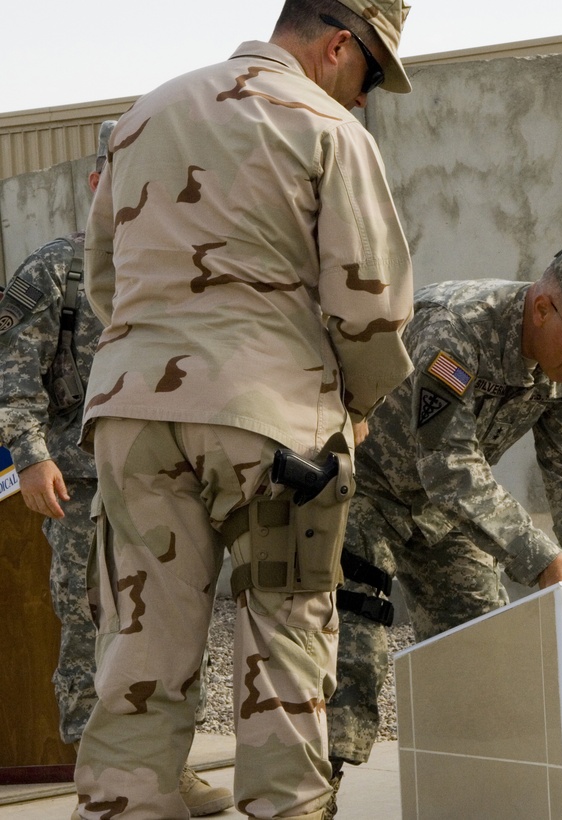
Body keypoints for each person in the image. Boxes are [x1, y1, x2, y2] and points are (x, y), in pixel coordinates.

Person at [73, 1, 415, 817]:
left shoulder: (144, 113)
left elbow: (103, 280)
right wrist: (354, 403)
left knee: (140, 653)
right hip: (273, 424)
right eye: (368, 76)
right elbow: (371, 309)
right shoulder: (327, 128)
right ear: (340, 46)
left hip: (133, 420)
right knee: (284, 648)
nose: (363, 98)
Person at [324, 229, 562, 809]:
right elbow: (448, 464)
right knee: (351, 665)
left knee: (484, 663)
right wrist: (543, 559)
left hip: (445, 514)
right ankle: (310, 799)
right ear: (543, 308)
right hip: (359, 495)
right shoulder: (454, 333)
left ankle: (475, 802)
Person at [0, 121, 233, 816]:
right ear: (96, 182)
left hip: (171, 484)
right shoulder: (52, 270)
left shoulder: (181, 270)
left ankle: (168, 767)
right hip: (81, 486)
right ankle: (92, 778)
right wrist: (31, 459)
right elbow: (12, 378)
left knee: (176, 626)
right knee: (89, 628)